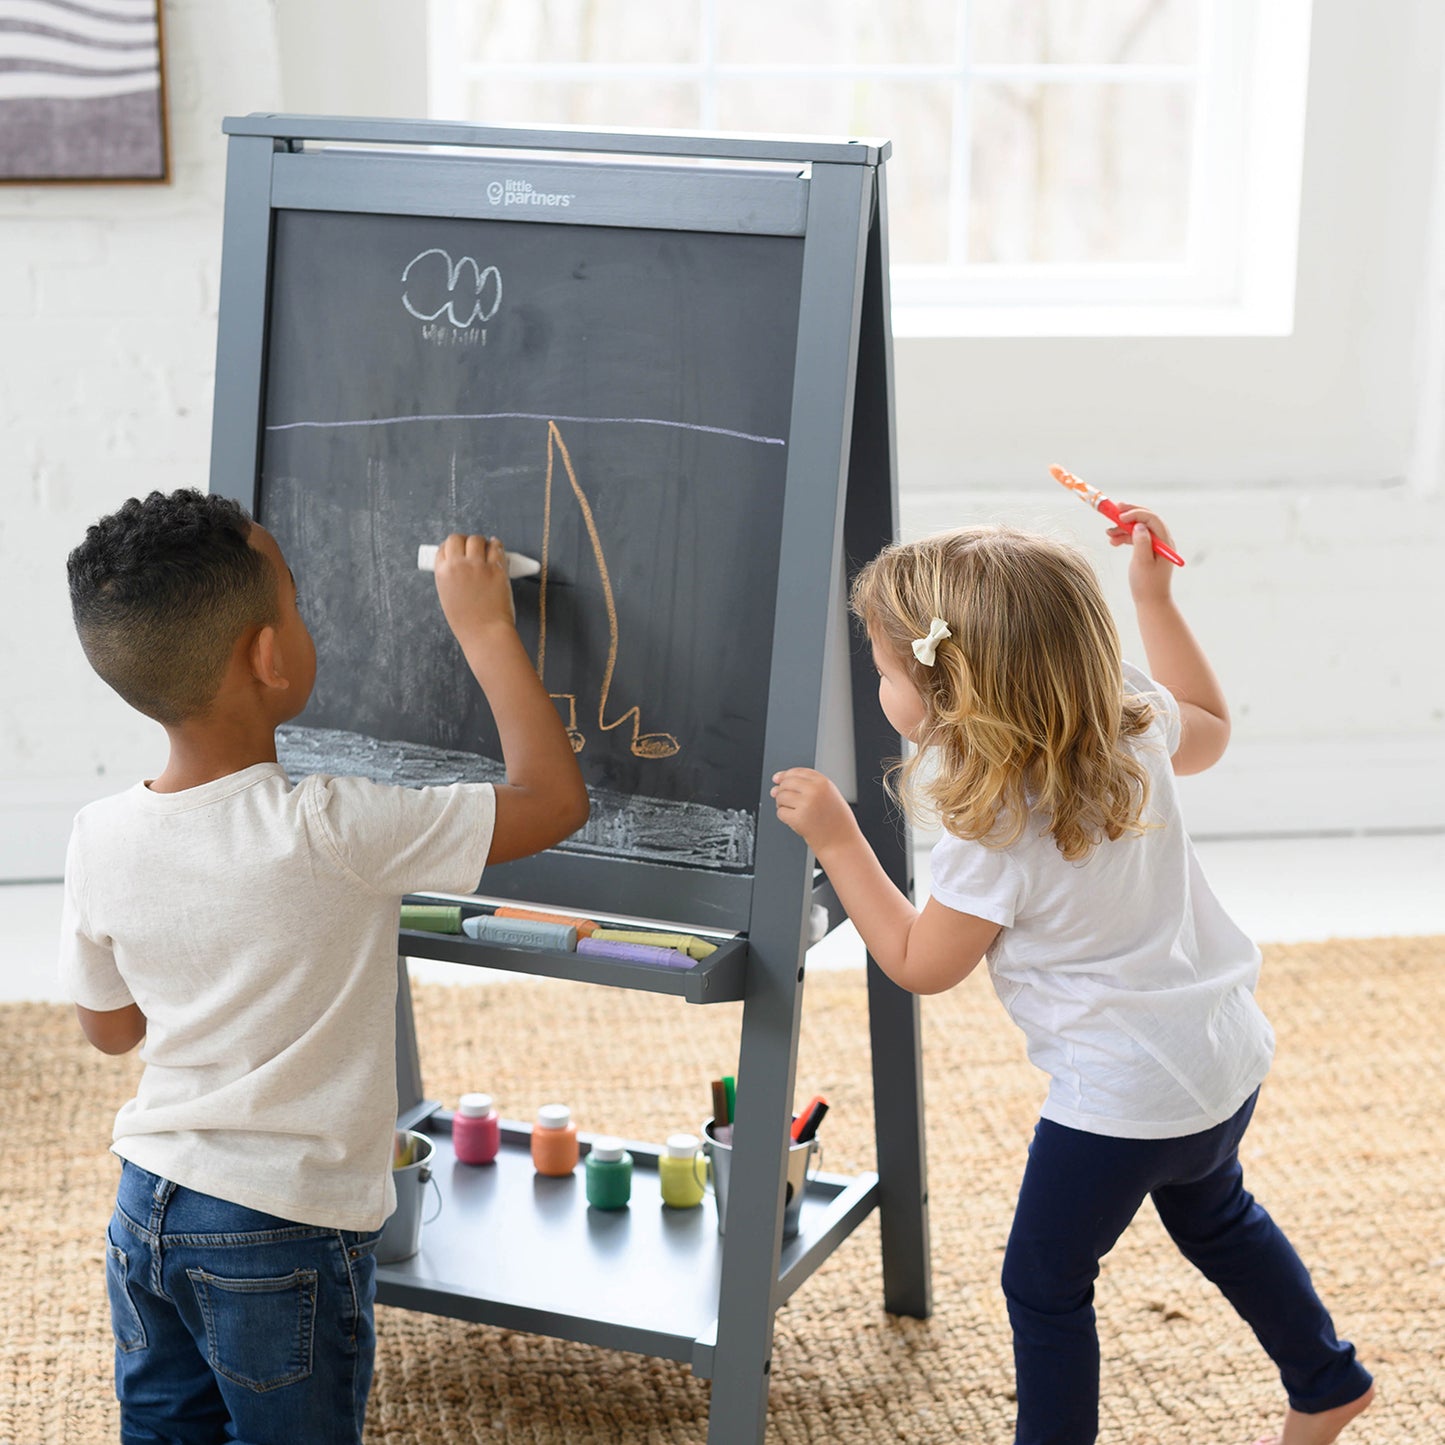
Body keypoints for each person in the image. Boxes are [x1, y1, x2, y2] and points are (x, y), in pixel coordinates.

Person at [771, 507, 1374, 1445]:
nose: (878, 683)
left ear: (947, 688)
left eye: (886, 669)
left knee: (1042, 1284)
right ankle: (1325, 1378)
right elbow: (1208, 728)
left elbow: (918, 963)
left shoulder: (994, 826)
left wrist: (839, 838)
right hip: (1217, 1057)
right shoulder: (1122, 712)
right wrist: (1151, 595)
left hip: (1120, 1100)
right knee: (1217, 1216)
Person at [60, 489, 588, 1445]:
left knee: (164, 1433)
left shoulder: (97, 834)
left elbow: (113, 1030)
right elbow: (551, 799)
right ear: (267, 655)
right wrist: (483, 627)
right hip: (282, 1227)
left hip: (147, 1201)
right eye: (296, 604)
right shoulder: (336, 825)